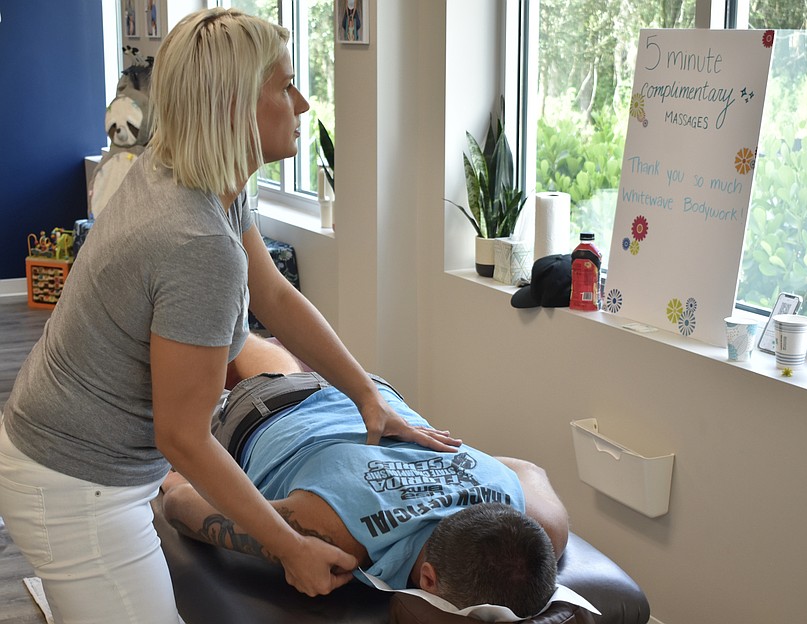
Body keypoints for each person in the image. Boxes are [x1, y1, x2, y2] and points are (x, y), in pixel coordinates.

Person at [0, 8, 458, 623]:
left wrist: (368, 400)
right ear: (237, 107)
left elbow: (275, 297)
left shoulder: (202, 176)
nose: (301, 102)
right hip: (76, 484)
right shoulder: (194, 242)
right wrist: (289, 546)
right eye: (285, 86)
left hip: (87, 459)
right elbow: (184, 437)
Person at [160, 334, 569, 618]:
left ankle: (237, 329)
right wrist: (174, 476)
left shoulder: (540, 522)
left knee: (264, 359)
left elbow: (528, 470)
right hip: (263, 416)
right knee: (173, 372)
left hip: (367, 396)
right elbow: (179, 504)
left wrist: (426, 475)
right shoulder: (332, 536)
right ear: (429, 579)